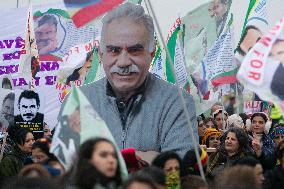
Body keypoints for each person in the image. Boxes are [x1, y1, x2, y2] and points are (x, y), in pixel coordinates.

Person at [68, 2, 198, 156]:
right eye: (114, 50)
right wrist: (146, 160)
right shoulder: (78, 101)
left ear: (152, 53)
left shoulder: (177, 102)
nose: (123, 62)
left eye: (134, 50)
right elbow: (69, 172)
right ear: (101, 54)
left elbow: (177, 175)